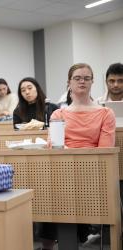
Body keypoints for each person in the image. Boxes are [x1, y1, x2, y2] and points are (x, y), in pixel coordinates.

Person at [42, 63, 116, 250]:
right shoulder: (58, 113)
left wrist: (71, 154)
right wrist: (69, 154)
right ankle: (49, 244)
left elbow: (104, 150)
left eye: (86, 78)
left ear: (92, 82)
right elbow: (54, 146)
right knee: (49, 188)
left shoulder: (106, 113)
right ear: (69, 83)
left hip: (93, 172)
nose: (82, 81)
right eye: (77, 78)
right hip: (62, 171)